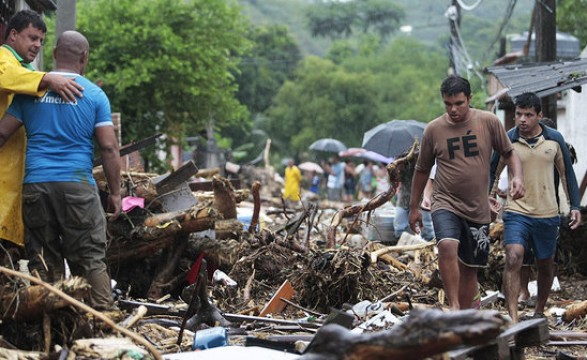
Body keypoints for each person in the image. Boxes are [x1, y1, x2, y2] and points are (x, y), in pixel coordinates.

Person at [0, 31, 121, 310]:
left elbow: (2, 135)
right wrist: (115, 193)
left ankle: (50, 327)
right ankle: (103, 321)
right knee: (90, 258)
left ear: (54, 54)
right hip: (77, 185)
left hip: (36, 187)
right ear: (84, 57)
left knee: (43, 261)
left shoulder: (30, 92)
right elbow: (109, 148)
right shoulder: (94, 95)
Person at [409, 75, 525, 310]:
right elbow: (421, 170)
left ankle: (466, 315)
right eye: (448, 104)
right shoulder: (434, 129)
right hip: (445, 201)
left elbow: (509, 152)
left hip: (476, 207)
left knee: (470, 269)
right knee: (447, 245)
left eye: (459, 103)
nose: (453, 109)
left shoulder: (488, 122)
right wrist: (414, 207)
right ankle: (453, 307)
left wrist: (517, 178)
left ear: (470, 99)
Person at [490, 93, 582, 322]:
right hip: (516, 211)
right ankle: (513, 317)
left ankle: (539, 310)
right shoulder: (507, 139)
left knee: (545, 263)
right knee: (514, 256)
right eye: (518, 114)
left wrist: (575, 206)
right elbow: (492, 171)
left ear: (539, 116)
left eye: (528, 115)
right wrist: (489, 198)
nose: (522, 119)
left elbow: (566, 173)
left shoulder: (555, 140)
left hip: (547, 212)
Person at [0, 10, 84, 248]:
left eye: (41, 41)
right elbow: (6, 77)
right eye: (32, 37)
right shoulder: (4, 59)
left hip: (17, 169)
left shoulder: (24, 68)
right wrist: (48, 79)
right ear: (13, 35)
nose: (37, 45)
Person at [395, 163, 435, 241]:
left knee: (427, 231)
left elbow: (431, 177)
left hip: (421, 200)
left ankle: (429, 248)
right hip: (404, 199)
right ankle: (402, 246)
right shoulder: (402, 163)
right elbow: (396, 179)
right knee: (399, 228)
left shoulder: (425, 161)